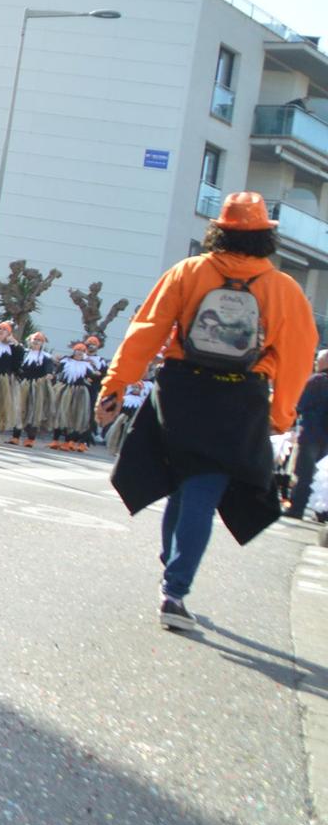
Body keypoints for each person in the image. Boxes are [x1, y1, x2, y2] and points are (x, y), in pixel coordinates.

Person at [98, 192, 316, 630]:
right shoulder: (283, 289)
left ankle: (171, 566)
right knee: (203, 491)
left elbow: (146, 330)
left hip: (181, 389)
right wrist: (282, 411)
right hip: (240, 398)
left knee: (182, 483)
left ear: (218, 230)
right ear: (264, 238)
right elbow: (298, 353)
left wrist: (116, 384)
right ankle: (175, 591)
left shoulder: (189, 272)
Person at [285, 349, 328, 516]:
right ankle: (322, 512)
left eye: (318, 360)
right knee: (322, 475)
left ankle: (297, 508)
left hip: (311, 433)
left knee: (304, 473)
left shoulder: (317, 380)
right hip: (326, 437)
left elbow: (300, 404)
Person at [48, 341, 96, 451]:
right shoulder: (65, 361)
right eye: (78, 350)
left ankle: (67, 442)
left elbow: (92, 376)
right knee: (60, 414)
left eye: (82, 351)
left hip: (78, 393)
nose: (80, 352)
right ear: (74, 351)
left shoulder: (87, 365)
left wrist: (95, 374)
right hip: (63, 389)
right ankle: (55, 440)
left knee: (72, 416)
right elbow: (56, 371)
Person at [15, 331, 54, 447]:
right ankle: (15, 437)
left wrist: (49, 374)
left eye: (39, 340)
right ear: (30, 341)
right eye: (34, 340)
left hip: (37, 387)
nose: (36, 342)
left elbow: (49, 368)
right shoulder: (24, 354)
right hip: (23, 384)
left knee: (33, 411)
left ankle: (30, 439)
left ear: (42, 343)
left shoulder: (46, 357)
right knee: (19, 409)